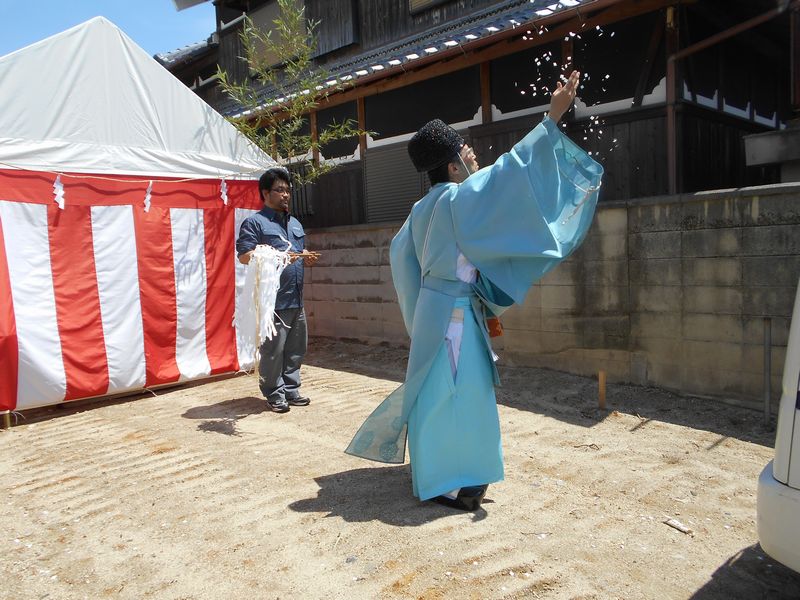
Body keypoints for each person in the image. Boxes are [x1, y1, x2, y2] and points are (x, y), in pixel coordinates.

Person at [345, 71, 603, 510]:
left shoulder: (420, 209)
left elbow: (399, 256)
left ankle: (446, 473)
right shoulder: (454, 200)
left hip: (434, 309)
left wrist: (420, 310)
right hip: (454, 316)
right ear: (451, 167)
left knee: (436, 389)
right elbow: (512, 172)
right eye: (467, 154)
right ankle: (449, 481)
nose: (474, 159)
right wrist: (551, 117)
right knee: (459, 392)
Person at [236, 167, 318, 413]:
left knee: (296, 348)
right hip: (272, 301)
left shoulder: (294, 223)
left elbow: (295, 253)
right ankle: (274, 393)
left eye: (287, 190)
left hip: (295, 297)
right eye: (279, 190)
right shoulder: (255, 223)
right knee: (273, 350)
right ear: (265, 193)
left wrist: (304, 256)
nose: (285, 195)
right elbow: (245, 256)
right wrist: (279, 258)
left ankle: (291, 390)